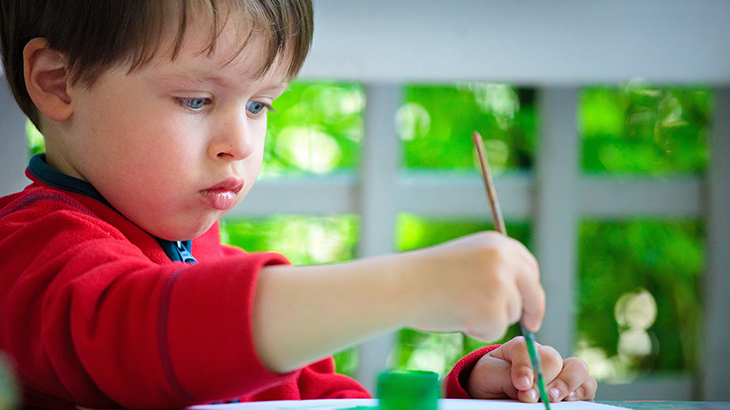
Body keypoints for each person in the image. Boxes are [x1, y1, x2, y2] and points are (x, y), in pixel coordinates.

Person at [0, 1, 597, 408]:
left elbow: (324, 403)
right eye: (196, 99)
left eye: (259, 105)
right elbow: (144, 334)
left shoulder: (206, 261)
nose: (240, 143)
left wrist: (471, 392)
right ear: (57, 81)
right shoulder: (31, 253)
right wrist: (411, 285)